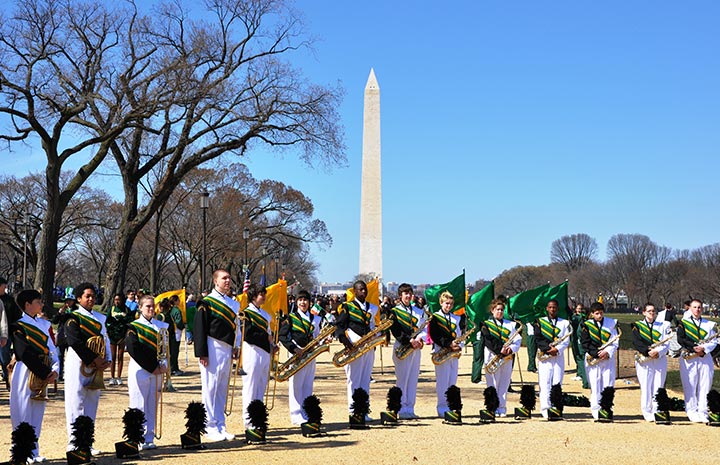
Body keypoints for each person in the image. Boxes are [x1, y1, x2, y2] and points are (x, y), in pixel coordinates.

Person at [10, 289, 59, 462]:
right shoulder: (17, 326)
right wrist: (46, 372)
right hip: (26, 371)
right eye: (38, 301)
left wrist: (55, 368)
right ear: (28, 305)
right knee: (22, 410)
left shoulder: (45, 325)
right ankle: (22, 452)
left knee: (37, 410)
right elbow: (24, 353)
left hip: (43, 370)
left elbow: (52, 349)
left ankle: (34, 451)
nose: (42, 304)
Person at [63, 282, 111, 452]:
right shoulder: (72, 317)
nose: (91, 299)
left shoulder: (100, 318)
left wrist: (108, 359)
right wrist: (95, 358)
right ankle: (74, 442)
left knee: (92, 402)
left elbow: (105, 339)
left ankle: (87, 442)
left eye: (93, 296)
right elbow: (74, 341)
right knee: (75, 401)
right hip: (77, 363)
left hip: (96, 365)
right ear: (78, 299)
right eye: (87, 296)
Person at [193, 269, 240, 442]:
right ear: (215, 281)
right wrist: (202, 353)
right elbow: (199, 329)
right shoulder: (206, 303)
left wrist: (236, 346)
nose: (228, 281)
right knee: (210, 387)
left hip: (227, 348)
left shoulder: (234, 304)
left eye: (229, 278)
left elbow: (237, 327)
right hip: (212, 346)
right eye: (224, 278)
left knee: (222, 389)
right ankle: (209, 426)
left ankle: (221, 425)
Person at [126, 294, 169, 450]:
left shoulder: (161, 327)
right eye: (147, 306)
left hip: (157, 371)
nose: (151, 309)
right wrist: (153, 367)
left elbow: (164, 349)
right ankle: (135, 438)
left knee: (152, 404)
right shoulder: (133, 326)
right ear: (140, 308)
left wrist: (163, 365)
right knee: (138, 404)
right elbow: (134, 350)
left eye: (152, 306)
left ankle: (149, 437)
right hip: (140, 370)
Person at [334, 280, 379, 418]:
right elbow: (339, 327)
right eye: (360, 289)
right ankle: (354, 410)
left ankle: (364, 410)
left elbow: (373, 326)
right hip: (353, 346)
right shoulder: (347, 307)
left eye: (365, 289)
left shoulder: (372, 307)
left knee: (365, 379)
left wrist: (376, 336)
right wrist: (347, 343)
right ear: (355, 292)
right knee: (354, 380)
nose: (364, 292)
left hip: (368, 347)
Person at [278, 289, 322, 425]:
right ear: (296, 302)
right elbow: (282, 336)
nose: (303, 302)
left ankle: (307, 411)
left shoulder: (316, 318)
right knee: (296, 384)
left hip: (311, 354)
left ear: (310, 302)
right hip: (297, 354)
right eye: (300, 300)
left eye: (305, 300)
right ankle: (296, 414)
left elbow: (317, 335)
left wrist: (322, 342)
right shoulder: (291, 318)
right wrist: (294, 348)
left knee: (308, 384)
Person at [389, 283, 426, 419]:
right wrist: (408, 341)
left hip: (416, 348)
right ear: (400, 296)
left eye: (410, 293)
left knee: (413, 378)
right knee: (402, 378)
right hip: (402, 346)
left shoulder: (418, 311)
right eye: (406, 294)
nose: (408, 296)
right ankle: (400, 408)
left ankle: (410, 407)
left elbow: (423, 329)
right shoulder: (395, 311)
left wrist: (420, 339)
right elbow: (395, 330)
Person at [677, 298, 717, 423]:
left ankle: (703, 411)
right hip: (689, 357)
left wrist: (704, 348)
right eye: (694, 307)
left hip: (705, 357)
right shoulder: (683, 323)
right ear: (689, 308)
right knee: (690, 384)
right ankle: (691, 411)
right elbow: (681, 339)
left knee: (705, 384)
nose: (697, 309)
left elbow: (715, 341)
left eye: (699, 307)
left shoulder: (709, 324)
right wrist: (694, 348)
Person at [632, 302, 672, 421]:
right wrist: (647, 352)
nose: (652, 313)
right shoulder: (637, 325)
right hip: (644, 359)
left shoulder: (664, 325)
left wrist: (658, 352)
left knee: (659, 385)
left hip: (659, 359)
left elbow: (667, 342)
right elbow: (636, 342)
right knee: (646, 386)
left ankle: (657, 409)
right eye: (649, 311)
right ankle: (647, 411)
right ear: (644, 312)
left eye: (653, 311)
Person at [241, 284, 274, 428]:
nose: (264, 296)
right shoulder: (245, 313)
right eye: (261, 294)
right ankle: (249, 420)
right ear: (254, 296)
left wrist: (272, 344)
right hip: (252, 352)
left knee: (261, 385)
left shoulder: (266, 315)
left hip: (265, 353)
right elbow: (247, 335)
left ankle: (259, 418)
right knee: (250, 386)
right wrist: (266, 337)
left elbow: (269, 335)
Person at [482, 298, 522, 417]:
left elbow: (517, 339)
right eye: (497, 309)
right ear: (492, 311)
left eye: (502, 310)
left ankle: (502, 407)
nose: (500, 312)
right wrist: (500, 349)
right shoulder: (486, 324)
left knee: (504, 383)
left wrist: (511, 349)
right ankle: (491, 407)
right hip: (492, 356)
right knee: (492, 383)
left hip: (507, 357)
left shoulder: (510, 324)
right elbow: (488, 340)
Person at [580, 301, 618, 420]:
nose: (599, 316)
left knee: (608, 384)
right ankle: (596, 411)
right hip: (594, 359)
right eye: (597, 313)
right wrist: (596, 353)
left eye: (601, 313)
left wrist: (608, 352)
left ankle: (607, 409)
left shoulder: (611, 323)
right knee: (595, 384)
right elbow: (585, 343)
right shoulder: (586, 325)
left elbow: (615, 340)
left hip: (607, 358)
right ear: (592, 314)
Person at [534, 299, 571, 418]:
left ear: (557, 309)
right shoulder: (540, 322)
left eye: (554, 307)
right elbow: (538, 338)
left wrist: (558, 349)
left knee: (557, 383)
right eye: (550, 307)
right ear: (547, 308)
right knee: (545, 383)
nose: (552, 309)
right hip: (545, 357)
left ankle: (556, 408)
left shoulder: (564, 323)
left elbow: (566, 340)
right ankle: (545, 409)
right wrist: (548, 349)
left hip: (558, 357)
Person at [429, 291, 462, 418]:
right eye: (446, 303)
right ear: (441, 303)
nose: (449, 306)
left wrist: (460, 345)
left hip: (453, 353)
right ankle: (441, 407)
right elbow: (435, 335)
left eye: (451, 304)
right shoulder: (435, 317)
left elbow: (459, 333)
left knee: (452, 381)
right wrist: (448, 344)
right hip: (442, 352)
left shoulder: (455, 318)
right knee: (442, 381)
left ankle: (451, 405)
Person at [106, 293, 132, 386]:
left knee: (120, 356)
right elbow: (107, 321)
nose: (117, 301)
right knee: (113, 357)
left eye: (119, 300)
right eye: (115, 299)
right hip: (113, 336)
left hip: (122, 336)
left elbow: (130, 322)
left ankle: (119, 377)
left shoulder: (126, 309)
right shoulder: (111, 309)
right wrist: (109, 332)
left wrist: (126, 334)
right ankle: (112, 377)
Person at [51, 295, 76, 382]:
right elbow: (54, 321)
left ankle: (71, 374)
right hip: (61, 336)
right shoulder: (62, 310)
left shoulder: (76, 311)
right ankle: (59, 375)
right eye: (66, 301)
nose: (68, 303)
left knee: (71, 357)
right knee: (59, 356)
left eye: (69, 300)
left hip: (71, 337)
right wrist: (59, 313)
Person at [0, 277, 19, 386]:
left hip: (7, 333)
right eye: (4, 285)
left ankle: (7, 376)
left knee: (4, 357)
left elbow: (15, 316)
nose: (5, 287)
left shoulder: (9, 300)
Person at [168, 295, 185, 376]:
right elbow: (178, 322)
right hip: (176, 332)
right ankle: (173, 368)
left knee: (171, 350)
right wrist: (183, 326)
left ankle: (173, 367)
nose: (179, 301)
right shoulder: (176, 310)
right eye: (178, 300)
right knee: (174, 351)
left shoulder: (169, 309)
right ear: (175, 301)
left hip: (170, 332)